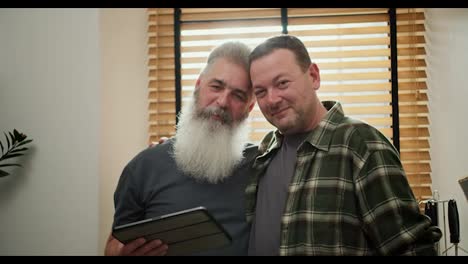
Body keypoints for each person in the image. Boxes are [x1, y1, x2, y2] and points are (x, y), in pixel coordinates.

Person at [245, 35, 442, 256]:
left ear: (313, 76)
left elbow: (411, 247)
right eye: (261, 91)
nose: (272, 99)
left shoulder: (362, 145)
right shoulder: (264, 153)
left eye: (282, 83)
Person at [104, 41, 257, 256]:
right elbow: (112, 245)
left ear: (249, 107)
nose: (222, 101)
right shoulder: (143, 167)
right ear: (198, 85)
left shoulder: (263, 164)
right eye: (216, 86)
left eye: (238, 95)